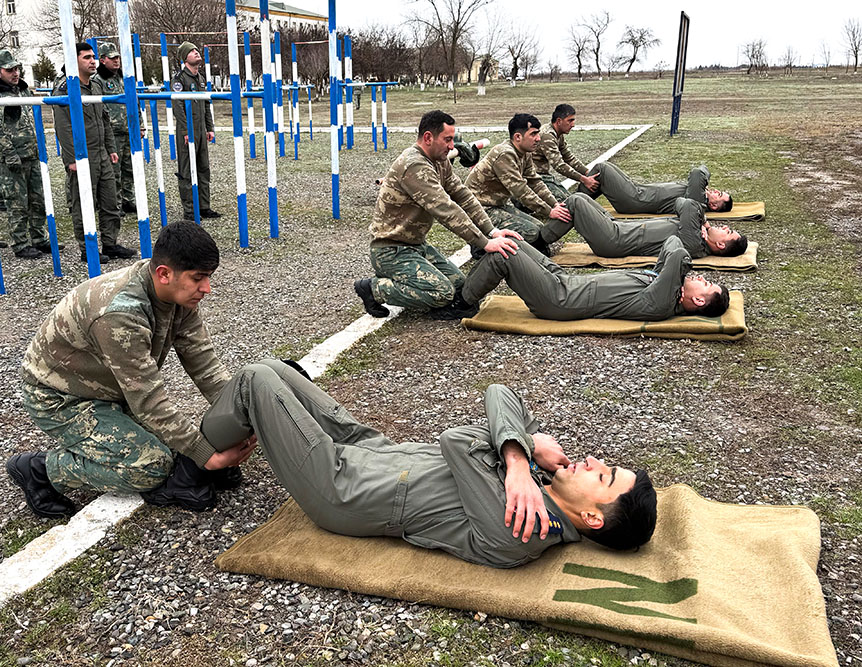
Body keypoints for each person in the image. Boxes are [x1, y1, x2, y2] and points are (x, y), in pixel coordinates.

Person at [199, 359, 658, 567]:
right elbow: (501, 392)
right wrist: (520, 458)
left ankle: (199, 457)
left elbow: (457, 442)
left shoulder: (524, 525)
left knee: (257, 380)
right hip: (376, 452)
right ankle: (218, 440)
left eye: (604, 476)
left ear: (592, 517)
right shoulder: (534, 482)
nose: (594, 460)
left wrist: (523, 448)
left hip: (342, 488)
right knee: (279, 371)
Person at [6, 222, 251, 519]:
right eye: (199, 278)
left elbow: (205, 366)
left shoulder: (178, 297)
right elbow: (147, 399)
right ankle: (41, 470)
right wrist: (207, 456)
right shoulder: (121, 312)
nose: (207, 289)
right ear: (163, 274)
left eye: (208, 278)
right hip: (60, 398)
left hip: (109, 390)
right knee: (151, 466)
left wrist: (242, 416)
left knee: (177, 446)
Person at [355, 109, 521, 320]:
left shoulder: (439, 161)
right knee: (441, 293)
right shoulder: (414, 165)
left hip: (415, 246)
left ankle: (404, 278)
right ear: (428, 137)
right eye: (448, 139)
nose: (452, 146)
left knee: (460, 286)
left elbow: (463, 195)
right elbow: (445, 209)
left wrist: (492, 230)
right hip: (390, 251)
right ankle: (373, 288)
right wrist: (484, 243)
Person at [461, 235, 730, 322]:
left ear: (697, 300)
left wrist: (680, 272)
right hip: (565, 281)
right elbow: (672, 243)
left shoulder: (661, 303)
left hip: (559, 299)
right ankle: (478, 255)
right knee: (512, 241)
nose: (699, 277)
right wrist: (676, 276)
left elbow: (679, 251)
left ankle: (461, 301)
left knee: (503, 255)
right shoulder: (666, 286)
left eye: (704, 284)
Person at [52, 42, 136, 263]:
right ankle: (87, 248)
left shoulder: (96, 86)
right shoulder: (65, 88)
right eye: (87, 57)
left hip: (101, 154)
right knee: (83, 203)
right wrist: (71, 159)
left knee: (110, 201)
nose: (93, 61)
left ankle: (110, 243)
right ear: (74, 61)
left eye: (93, 57)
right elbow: (63, 127)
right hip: (82, 156)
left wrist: (111, 148)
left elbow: (104, 120)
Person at [465, 113, 572, 256]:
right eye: (533, 134)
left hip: (499, 204)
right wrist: (549, 211)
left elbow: (535, 181)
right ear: (518, 137)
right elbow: (520, 190)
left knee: (539, 228)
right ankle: (480, 245)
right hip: (480, 209)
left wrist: (554, 204)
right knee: (531, 233)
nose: (538, 138)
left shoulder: (525, 152)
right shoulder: (505, 154)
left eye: (538, 133)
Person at [556, 192, 748, 258]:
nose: (724, 227)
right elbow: (680, 203)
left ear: (720, 245)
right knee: (581, 198)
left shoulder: (695, 242)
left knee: (575, 202)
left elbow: (687, 203)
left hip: (614, 239)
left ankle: (540, 239)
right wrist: (701, 223)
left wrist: (702, 221)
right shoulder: (696, 233)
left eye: (727, 232)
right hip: (618, 228)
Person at [0, 49, 52, 259]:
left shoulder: (23, 91)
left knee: (38, 199)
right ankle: (20, 242)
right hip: (11, 158)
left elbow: (31, 120)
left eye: (17, 68)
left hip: (31, 153)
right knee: (17, 202)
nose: (15, 73)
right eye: (9, 69)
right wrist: (9, 153)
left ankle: (39, 237)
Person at [172, 41, 220, 221]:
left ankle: (204, 206)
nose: (196, 53)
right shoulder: (179, 79)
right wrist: (185, 130)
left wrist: (210, 128)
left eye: (197, 50)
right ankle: (190, 210)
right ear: (185, 58)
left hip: (201, 130)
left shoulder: (200, 78)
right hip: (187, 130)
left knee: (203, 168)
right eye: (192, 51)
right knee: (186, 170)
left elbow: (206, 104)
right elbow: (178, 107)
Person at [93, 42, 142, 216]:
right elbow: (98, 107)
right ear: (103, 59)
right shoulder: (98, 80)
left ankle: (128, 200)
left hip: (128, 129)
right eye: (112, 58)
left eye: (117, 57)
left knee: (129, 169)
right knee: (114, 171)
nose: (116, 61)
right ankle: (116, 203)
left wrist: (140, 124)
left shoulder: (124, 78)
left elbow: (134, 101)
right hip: (112, 132)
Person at [578, 162, 732, 215]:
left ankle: (572, 204)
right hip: (637, 191)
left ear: (713, 206)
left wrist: (704, 182)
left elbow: (698, 172)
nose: (716, 191)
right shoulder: (697, 193)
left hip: (635, 199)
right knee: (604, 170)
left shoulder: (698, 200)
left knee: (602, 169)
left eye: (719, 195)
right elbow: (702, 169)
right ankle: (576, 203)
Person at [533, 104, 600, 201]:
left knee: (570, 199)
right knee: (567, 202)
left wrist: (587, 173)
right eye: (570, 120)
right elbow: (559, 165)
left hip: (544, 177)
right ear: (559, 121)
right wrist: (584, 179)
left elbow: (568, 157)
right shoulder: (547, 136)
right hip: (534, 179)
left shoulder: (557, 134)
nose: (573, 125)